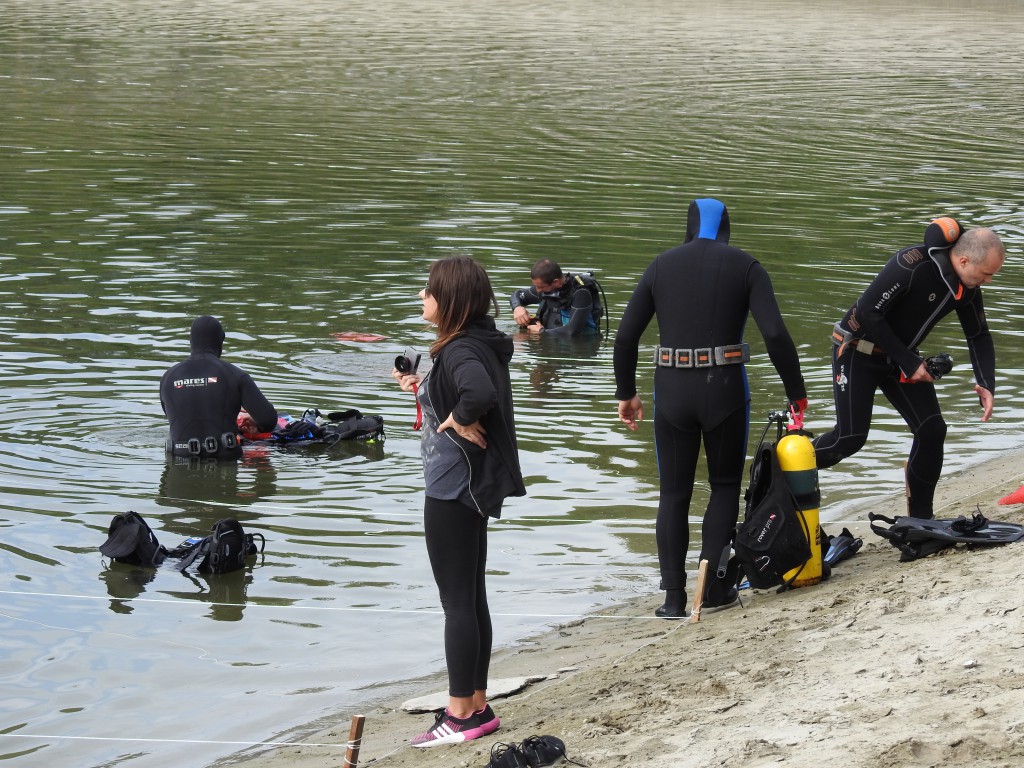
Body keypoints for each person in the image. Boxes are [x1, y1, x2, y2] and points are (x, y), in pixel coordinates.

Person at [613, 198, 807, 619]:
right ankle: (715, 588)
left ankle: (673, 599)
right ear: (726, 228)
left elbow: (625, 337)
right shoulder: (747, 266)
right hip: (725, 388)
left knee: (674, 492)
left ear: (687, 226)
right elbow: (774, 332)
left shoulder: (660, 266)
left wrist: (626, 393)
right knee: (722, 487)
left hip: (671, 388)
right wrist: (797, 392)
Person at [392, 255, 526, 747]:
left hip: (452, 488)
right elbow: (464, 386)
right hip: (468, 488)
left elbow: (477, 390)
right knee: (471, 597)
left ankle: (457, 715)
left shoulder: (460, 351)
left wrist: (459, 416)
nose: (422, 299)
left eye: (427, 291)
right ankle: (478, 705)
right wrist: (420, 388)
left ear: (448, 300)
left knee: (456, 603)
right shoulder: (472, 343)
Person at [813, 220, 1005, 519]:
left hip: (900, 357)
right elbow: (867, 311)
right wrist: (909, 362)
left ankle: (921, 522)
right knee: (849, 439)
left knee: (931, 430)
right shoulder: (911, 265)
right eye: (986, 274)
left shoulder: (966, 287)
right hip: (856, 351)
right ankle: (784, 466)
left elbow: (978, 334)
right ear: (964, 260)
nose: (988, 281)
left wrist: (986, 383)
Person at [159, 315, 277, 460]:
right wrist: (255, 423)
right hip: (223, 462)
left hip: (178, 463)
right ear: (220, 342)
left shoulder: (167, 378)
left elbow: (175, 416)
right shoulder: (235, 374)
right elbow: (268, 420)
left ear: (191, 342)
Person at [510, 258, 603, 336]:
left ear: (556, 282)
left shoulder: (581, 293)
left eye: (541, 287)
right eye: (536, 286)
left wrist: (541, 331)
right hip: (549, 342)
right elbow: (516, 295)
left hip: (578, 347)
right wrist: (517, 307)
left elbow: (572, 331)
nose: (537, 290)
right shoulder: (543, 288)